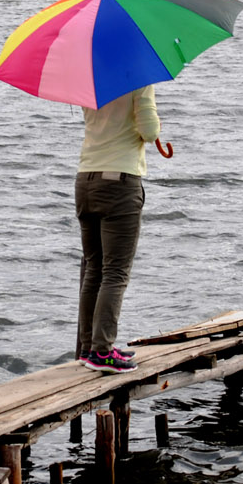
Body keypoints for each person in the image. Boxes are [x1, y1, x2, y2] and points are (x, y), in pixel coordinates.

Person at [75, 83, 161, 373]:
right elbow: (149, 132)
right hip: (120, 183)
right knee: (115, 271)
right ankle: (102, 351)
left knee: (94, 269)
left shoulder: (91, 78)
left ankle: (89, 348)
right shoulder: (139, 80)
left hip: (86, 180)